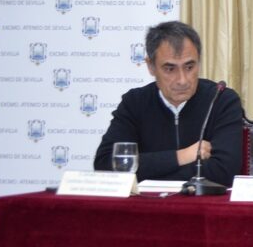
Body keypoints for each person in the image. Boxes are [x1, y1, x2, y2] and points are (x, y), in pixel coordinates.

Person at [94, 20, 244, 185]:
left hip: (204, 208)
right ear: (151, 66)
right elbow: (107, 165)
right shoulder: (135, 102)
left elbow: (224, 171)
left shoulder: (221, 99)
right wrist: (182, 156)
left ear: (199, 62)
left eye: (189, 67)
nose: (182, 80)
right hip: (147, 207)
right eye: (170, 69)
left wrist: (145, 171)